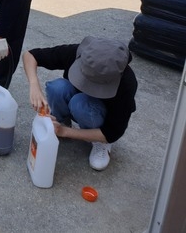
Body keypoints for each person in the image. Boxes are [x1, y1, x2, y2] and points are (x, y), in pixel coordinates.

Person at [22, 36, 138, 171]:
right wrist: (34, 86)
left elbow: (112, 133)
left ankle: (100, 143)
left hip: (97, 116)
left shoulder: (126, 83)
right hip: (76, 101)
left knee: (80, 103)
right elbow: (30, 55)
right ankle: (60, 121)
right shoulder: (79, 53)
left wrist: (65, 132)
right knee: (57, 87)